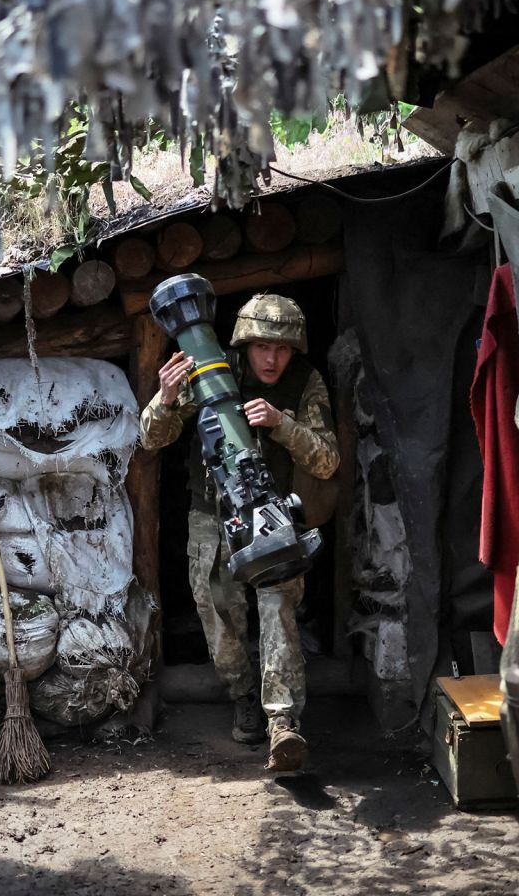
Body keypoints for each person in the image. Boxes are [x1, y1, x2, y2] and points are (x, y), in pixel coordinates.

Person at [139, 293, 339, 771]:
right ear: (245, 343)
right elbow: (149, 438)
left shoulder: (305, 384)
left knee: (278, 610)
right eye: (263, 347)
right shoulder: (212, 367)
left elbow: (328, 461)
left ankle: (283, 722)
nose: (272, 359)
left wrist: (281, 425)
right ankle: (244, 696)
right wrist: (166, 400)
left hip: (273, 512)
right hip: (212, 512)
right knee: (219, 614)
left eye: (283, 349)